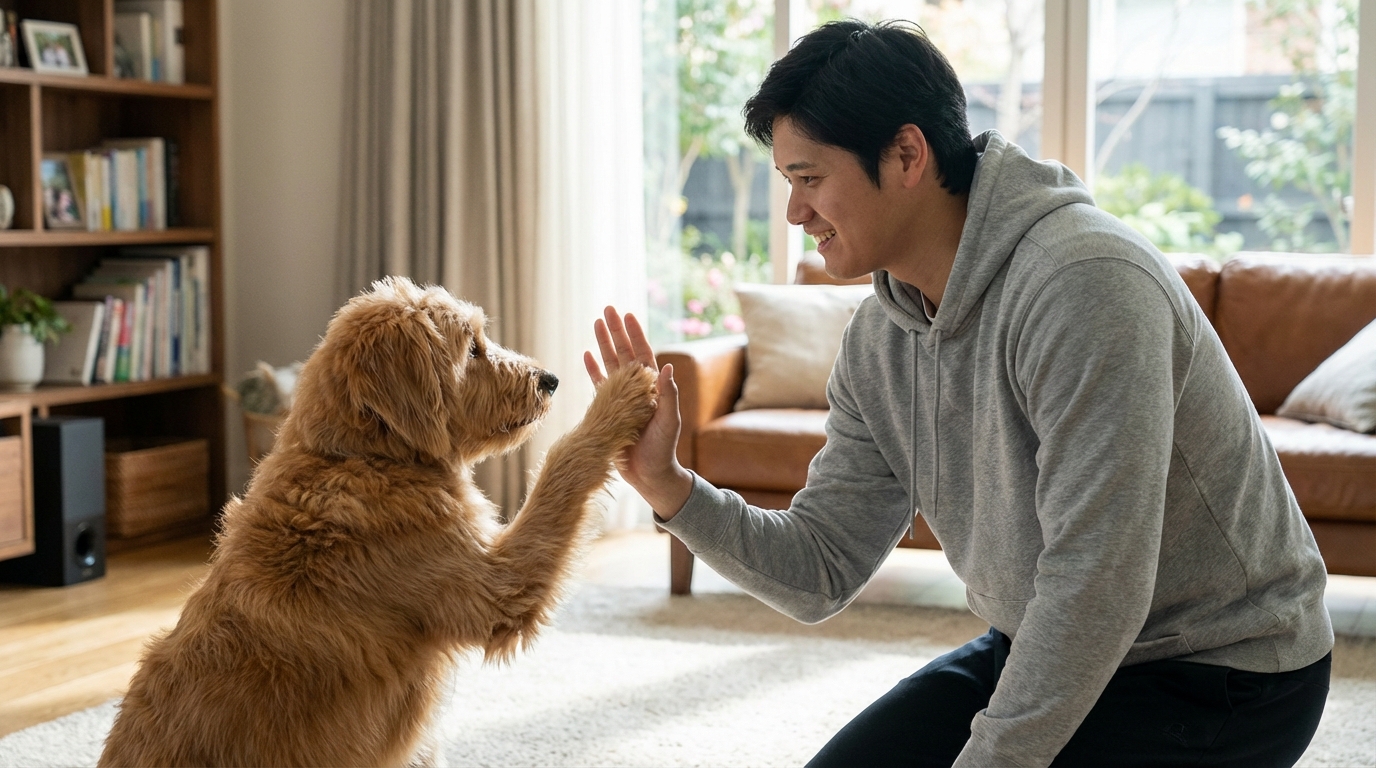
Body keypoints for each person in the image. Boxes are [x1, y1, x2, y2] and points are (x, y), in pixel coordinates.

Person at [584, 19, 1333, 768]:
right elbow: (819, 569)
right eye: (789, 182)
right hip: (1041, 640)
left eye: (810, 178)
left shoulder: (1085, 284)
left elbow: (1097, 586)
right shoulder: (881, 337)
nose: (795, 213)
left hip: (1223, 671)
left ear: (908, 154)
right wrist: (669, 486)